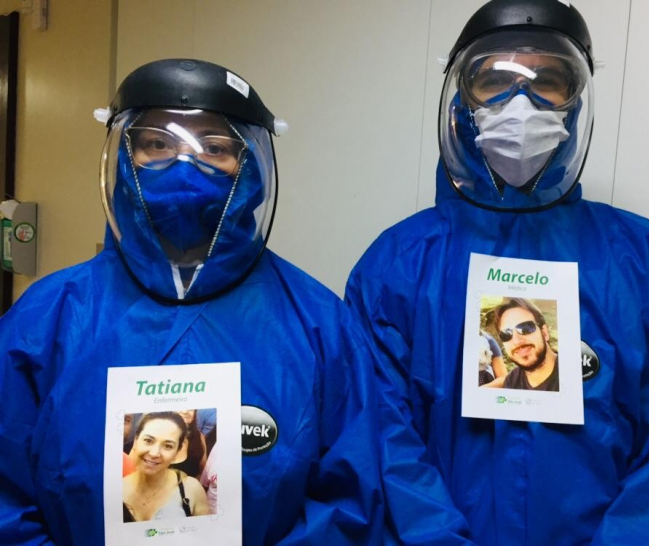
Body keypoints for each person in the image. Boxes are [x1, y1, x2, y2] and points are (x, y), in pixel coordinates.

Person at [0, 59, 467, 545]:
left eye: (215, 148)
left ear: (250, 168)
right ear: (124, 157)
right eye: (157, 144)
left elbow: (348, 498)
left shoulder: (318, 324)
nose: (184, 165)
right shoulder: (47, 320)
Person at [346, 0, 649, 543]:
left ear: (575, 102)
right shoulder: (397, 267)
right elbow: (380, 438)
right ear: (461, 102)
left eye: (547, 81)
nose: (520, 103)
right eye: (494, 81)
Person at [123, 412, 209, 521]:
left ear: (177, 452)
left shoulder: (192, 490)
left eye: (168, 446)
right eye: (148, 441)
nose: (154, 453)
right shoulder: (116, 490)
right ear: (136, 441)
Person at [493, 299, 558, 392]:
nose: (516, 341)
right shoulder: (511, 382)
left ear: (544, 333)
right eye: (506, 334)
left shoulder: (572, 373)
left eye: (525, 328)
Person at [170, 409, 207, 479]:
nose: (185, 411)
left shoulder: (199, 436)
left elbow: (203, 469)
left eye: (190, 409)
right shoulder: (160, 436)